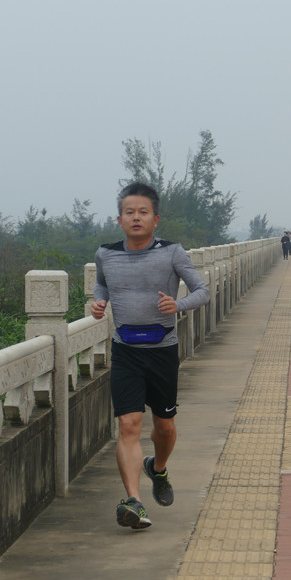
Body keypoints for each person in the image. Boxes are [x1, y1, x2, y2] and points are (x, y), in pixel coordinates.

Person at [90, 182, 210, 530]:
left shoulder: (172, 253)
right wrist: (99, 303)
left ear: (156, 219)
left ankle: (157, 468)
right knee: (128, 424)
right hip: (125, 351)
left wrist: (178, 304)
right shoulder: (106, 253)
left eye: (143, 212)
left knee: (165, 426)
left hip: (162, 352)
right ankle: (134, 502)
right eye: (130, 212)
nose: (136, 217)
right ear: (119, 218)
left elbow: (202, 292)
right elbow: (102, 284)